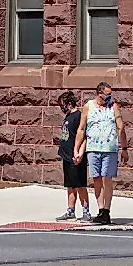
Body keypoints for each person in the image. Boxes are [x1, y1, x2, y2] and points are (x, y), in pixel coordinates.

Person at [81, 81, 125, 225]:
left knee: (107, 178)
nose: (109, 97)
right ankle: (100, 210)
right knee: (96, 178)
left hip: (109, 149)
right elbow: (82, 129)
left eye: (110, 95)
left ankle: (106, 210)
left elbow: (121, 127)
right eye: (107, 94)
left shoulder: (113, 107)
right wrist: (78, 148)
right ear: (99, 94)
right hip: (93, 148)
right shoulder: (88, 106)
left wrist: (124, 148)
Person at [54, 90, 87, 220]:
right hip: (66, 156)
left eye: (62, 104)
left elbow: (84, 136)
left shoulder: (78, 115)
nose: (61, 107)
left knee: (79, 185)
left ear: (69, 103)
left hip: (76, 157)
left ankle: (86, 211)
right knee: (70, 185)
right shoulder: (68, 116)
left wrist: (79, 152)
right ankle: (70, 210)